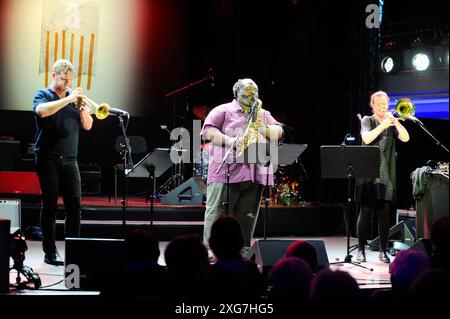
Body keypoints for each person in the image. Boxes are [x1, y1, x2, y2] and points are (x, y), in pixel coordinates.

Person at [200, 78, 283, 255]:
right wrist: (230, 140)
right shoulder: (223, 110)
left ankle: (242, 251)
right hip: (226, 171)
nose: (253, 94)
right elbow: (207, 131)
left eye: (256, 91)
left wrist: (264, 129)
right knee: (217, 213)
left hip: (255, 171)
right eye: (248, 91)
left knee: (247, 216)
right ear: (237, 93)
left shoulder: (262, 113)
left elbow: (279, 132)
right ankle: (211, 251)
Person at [33, 59, 93, 265]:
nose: (67, 83)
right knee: (50, 205)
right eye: (63, 78)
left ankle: (73, 250)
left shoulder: (73, 100)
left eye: (69, 79)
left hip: (70, 159)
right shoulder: (43, 95)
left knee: (75, 206)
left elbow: (88, 125)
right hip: (47, 157)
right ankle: (49, 252)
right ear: (53, 75)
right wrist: (68, 100)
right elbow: (42, 111)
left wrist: (83, 107)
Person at [355, 91, 409, 263]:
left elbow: (406, 139)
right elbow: (367, 138)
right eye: (378, 105)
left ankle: (383, 251)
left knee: (384, 214)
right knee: (365, 212)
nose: (382, 107)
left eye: (384, 104)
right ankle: (361, 250)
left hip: (386, 175)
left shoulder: (391, 123)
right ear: (373, 105)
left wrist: (396, 123)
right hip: (368, 172)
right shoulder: (367, 120)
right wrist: (383, 125)